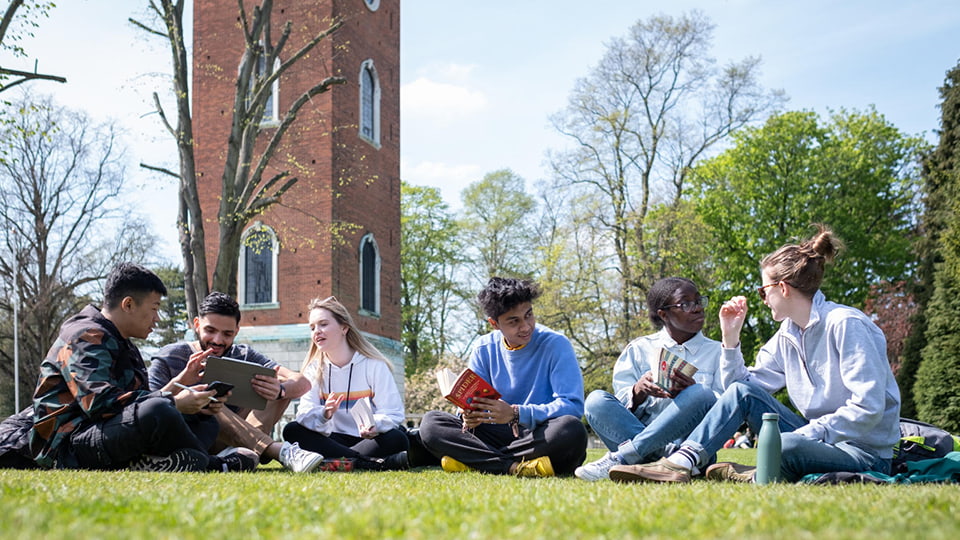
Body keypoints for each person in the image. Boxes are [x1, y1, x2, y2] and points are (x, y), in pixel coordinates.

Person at [608, 225, 901, 483]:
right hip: (817, 437)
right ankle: (683, 462)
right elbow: (738, 391)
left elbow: (869, 408)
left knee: (784, 446)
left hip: (862, 452)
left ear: (782, 288)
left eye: (763, 291)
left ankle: (752, 471)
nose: (762, 299)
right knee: (766, 423)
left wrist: (805, 435)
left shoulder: (846, 325)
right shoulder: (788, 334)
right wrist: (730, 338)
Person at [30, 262, 256, 472]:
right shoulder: (84, 336)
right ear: (128, 304)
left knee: (203, 420)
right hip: (69, 446)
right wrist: (174, 403)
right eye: (154, 308)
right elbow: (99, 403)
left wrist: (182, 382)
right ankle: (214, 465)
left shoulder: (122, 344)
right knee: (158, 410)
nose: (156, 319)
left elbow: (139, 402)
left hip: (106, 433)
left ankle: (154, 461)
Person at [418, 277, 588, 477]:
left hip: (537, 433)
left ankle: (478, 462)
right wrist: (467, 416)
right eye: (514, 321)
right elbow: (470, 404)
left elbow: (573, 406)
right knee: (431, 424)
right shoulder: (483, 348)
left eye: (529, 315)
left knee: (571, 430)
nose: (525, 327)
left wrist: (517, 413)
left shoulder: (556, 344)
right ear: (494, 324)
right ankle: (514, 467)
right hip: (496, 433)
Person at [148, 292, 324, 473]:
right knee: (210, 398)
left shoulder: (244, 354)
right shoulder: (169, 355)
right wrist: (185, 396)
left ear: (237, 332)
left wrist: (280, 390)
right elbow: (148, 408)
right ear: (197, 325)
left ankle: (245, 452)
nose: (217, 340)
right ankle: (279, 451)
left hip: (230, 439)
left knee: (276, 383)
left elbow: (302, 382)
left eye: (227, 334)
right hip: (188, 437)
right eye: (210, 331)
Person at [575, 277, 724, 481]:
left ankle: (628, 458)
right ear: (664, 314)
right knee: (595, 401)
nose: (697, 308)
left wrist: (694, 395)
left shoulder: (719, 352)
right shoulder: (639, 349)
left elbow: (728, 409)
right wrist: (638, 391)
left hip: (690, 448)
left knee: (702, 393)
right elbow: (617, 410)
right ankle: (665, 462)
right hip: (639, 433)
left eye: (699, 301)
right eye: (686, 303)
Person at [281, 296, 410, 470]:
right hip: (332, 439)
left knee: (397, 438)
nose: (316, 331)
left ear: (344, 327)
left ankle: (339, 460)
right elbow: (304, 414)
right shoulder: (313, 369)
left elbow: (393, 413)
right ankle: (364, 463)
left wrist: (374, 424)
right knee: (292, 430)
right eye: (312, 327)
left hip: (368, 440)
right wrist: (324, 414)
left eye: (323, 324)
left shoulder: (374, 365)